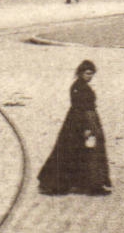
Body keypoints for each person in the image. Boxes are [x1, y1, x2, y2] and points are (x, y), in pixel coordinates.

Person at [36, 60, 112, 196]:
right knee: (86, 152)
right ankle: (91, 185)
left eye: (92, 74)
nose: (90, 76)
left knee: (74, 152)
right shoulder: (79, 88)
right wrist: (88, 128)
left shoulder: (80, 86)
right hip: (81, 122)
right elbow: (81, 108)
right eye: (88, 73)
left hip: (79, 121)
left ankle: (80, 183)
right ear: (81, 73)